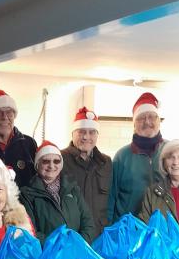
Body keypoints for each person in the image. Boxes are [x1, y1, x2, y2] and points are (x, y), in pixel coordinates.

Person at [19, 141, 95, 245]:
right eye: (46, 161)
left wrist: (79, 244)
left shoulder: (73, 188)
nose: (51, 165)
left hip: (78, 251)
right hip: (49, 256)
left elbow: (88, 221)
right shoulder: (26, 195)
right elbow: (31, 232)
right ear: (37, 164)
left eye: (56, 161)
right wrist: (59, 246)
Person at [107, 92, 166, 223]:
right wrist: (109, 230)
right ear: (134, 124)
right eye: (141, 118)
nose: (147, 122)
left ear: (159, 121)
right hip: (129, 230)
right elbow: (110, 197)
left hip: (163, 230)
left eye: (152, 117)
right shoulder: (122, 156)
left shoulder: (172, 151)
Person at [61, 107, 112, 241]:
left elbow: (112, 199)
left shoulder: (106, 163)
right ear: (73, 133)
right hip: (72, 236)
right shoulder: (59, 160)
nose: (86, 137)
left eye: (92, 132)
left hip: (100, 236)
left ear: (97, 135)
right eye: (81, 132)